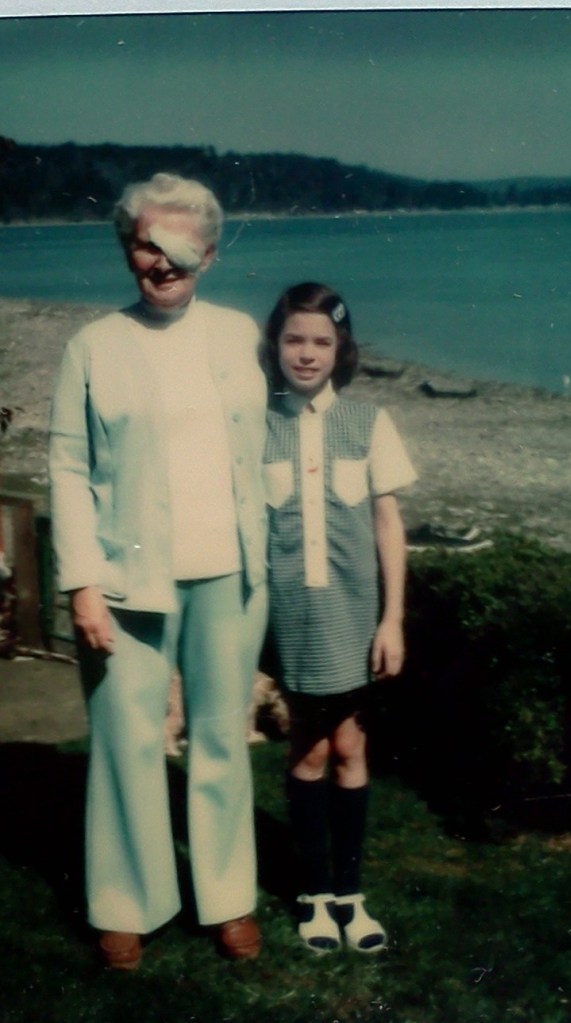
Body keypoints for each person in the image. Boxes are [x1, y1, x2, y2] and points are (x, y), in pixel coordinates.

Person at [48, 172, 268, 970]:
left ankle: (229, 897)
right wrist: (79, 583)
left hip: (231, 574)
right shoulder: (93, 347)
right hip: (123, 580)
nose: (162, 262)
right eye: (147, 243)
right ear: (126, 248)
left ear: (208, 254)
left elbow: (276, 440)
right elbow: (68, 468)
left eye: (180, 247)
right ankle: (125, 902)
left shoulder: (243, 335)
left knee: (220, 738)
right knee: (125, 738)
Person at [261, 281, 417, 954]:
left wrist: (393, 621)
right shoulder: (256, 422)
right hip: (293, 614)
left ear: (341, 350)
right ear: (275, 344)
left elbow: (387, 524)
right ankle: (314, 893)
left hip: (356, 615)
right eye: (294, 338)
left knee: (352, 748)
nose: (306, 353)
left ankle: (351, 892)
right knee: (310, 748)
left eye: (321, 341)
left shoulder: (369, 422)